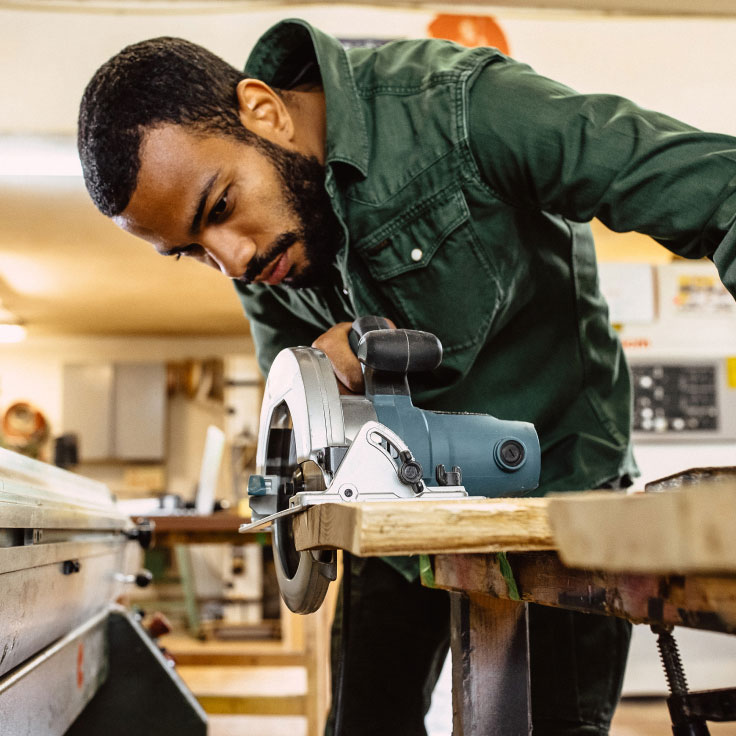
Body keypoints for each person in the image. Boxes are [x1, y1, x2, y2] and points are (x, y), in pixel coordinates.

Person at [77, 18, 736, 736]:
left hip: (557, 502)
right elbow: (294, 410)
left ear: (263, 110)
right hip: (396, 517)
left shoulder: (459, 108)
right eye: (192, 251)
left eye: (221, 209)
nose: (231, 261)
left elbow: (717, 191)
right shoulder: (257, 250)